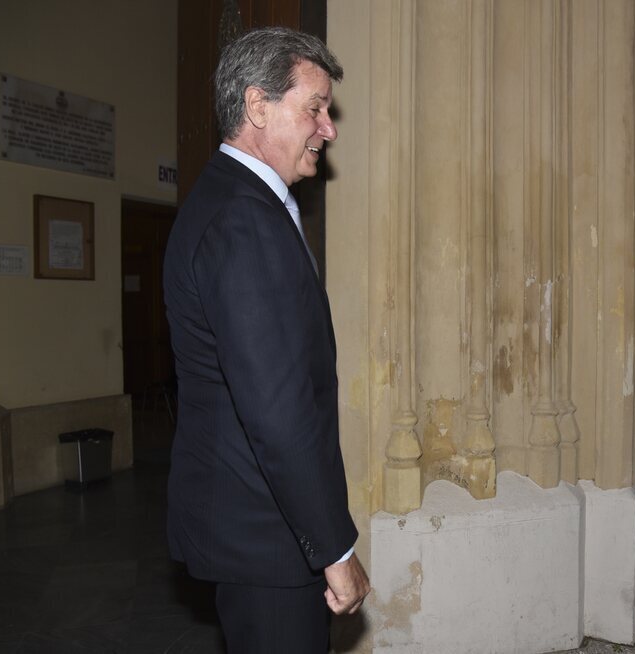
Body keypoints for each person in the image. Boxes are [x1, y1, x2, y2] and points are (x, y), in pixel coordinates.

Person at [163, 27, 369, 653]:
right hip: (265, 539)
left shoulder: (238, 202)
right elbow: (277, 413)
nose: (328, 128)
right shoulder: (244, 219)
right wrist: (335, 549)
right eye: (315, 107)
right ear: (257, 106)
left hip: (254, 528)